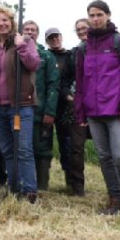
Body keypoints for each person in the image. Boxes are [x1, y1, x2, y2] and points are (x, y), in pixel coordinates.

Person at [74, 0, 120, 214]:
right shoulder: (83, 48)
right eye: (91, 15)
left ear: (108, 15)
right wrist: (80, 112)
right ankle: (114, 199)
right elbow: (81, 83)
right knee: (104, 158)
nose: (95, 19)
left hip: (117, 111)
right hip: (93, 113)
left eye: (99, 14)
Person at [0, 6, 40, 202]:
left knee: (23, 150)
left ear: (11, 21)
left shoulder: (25, 41)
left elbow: (33, 64)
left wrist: (21, 46)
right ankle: (14, 190)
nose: (1, 24)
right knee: (6, 150)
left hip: (20, 105)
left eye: (5, 20)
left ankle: (29, 192)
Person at [22, 21, 59, 191]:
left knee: (42, 148)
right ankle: (25, 183)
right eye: (26, 29)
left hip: (41, 110)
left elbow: (53, 84)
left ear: (37, 33)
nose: (29, 32)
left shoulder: (46, 56)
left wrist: (50, 111)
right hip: (21, 109)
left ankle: (42, 185)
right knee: (23, 147)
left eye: (33, 30)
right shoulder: (16, 53)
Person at [44, 27, 76, 194]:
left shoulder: (71, 56)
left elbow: (73, 79)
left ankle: (70, 181)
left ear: (61, 37)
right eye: (51, 38)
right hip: (48, 106)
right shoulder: (45, 56)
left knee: (67, 143)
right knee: (45, 143)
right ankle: (44, 180)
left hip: (66, 106)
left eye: (56, 36)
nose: (54, 40)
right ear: (47, 41)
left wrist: (70, 96)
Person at [62, 18, 91, 196]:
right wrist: (69, 96)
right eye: (78, 29)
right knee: (76, 147)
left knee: (107, 149)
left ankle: (116, 188)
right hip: (78, 106)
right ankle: (77, 187)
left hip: (101, 105)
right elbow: (64, 80)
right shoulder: (74, 53)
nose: (81, 31)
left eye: (84, 28)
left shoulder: (107, 49)